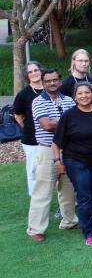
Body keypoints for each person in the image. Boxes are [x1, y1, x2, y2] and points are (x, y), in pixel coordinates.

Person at [52, 82, 92, 246]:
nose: (84, 96)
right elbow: (56, 142)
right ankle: (89, 233)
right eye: (80, 93)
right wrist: (57, 162)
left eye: (87, 93)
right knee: (85, 198)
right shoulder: (69, 115)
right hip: (77, 162)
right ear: (75, 96)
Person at [27, 69, 78, 241]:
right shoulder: (38, 102)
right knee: (43, 190)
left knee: (68, 189)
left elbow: (75, 123)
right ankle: (36, 229)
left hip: (68, 150)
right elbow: (47, 126)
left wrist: (61, 122)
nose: (52, 83)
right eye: (48, 81)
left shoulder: (69, 100)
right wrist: (66, 122)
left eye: (55, 80)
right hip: (47, 150)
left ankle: (69, 221)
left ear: (60, 81)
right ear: (43, 83)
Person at [13, 61, 44, 196]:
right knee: (33, 170)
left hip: (51, 138)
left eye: (36, 70)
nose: (34, 73)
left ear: (41, 71)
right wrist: (28, 128)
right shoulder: (24, 94)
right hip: (31, 139)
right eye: (30, 72)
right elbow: (18, 116)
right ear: (27, 75)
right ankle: (35, 196)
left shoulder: (50, 89)